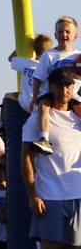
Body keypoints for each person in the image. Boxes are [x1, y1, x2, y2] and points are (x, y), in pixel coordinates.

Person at [22, 67, 81, 249]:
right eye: (60, 85)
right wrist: (32, 193)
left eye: (68, 85)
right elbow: (26, 157)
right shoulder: (37, 118)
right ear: (52, 86)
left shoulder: (78, 115)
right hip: (50, 194)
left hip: (77, 194)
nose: (64, 89)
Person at [30, 16, 81, 154]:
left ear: (75, 35)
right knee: (43, 107)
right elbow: (38, 77)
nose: (64, 35)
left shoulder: (78, 56)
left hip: (72, 92)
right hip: (52, 91)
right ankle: (44, 138)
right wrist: (34, 97)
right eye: (60, 32)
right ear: (55, 35)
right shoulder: (49, 55)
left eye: (67, 32)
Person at [9, 33, 53, 114]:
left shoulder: (25, 63)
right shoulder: (49, 67)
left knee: (7, 96)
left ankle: (1, 124)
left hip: (24, 104)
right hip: (41, 104)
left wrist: (21, 48)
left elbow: (10, 59)